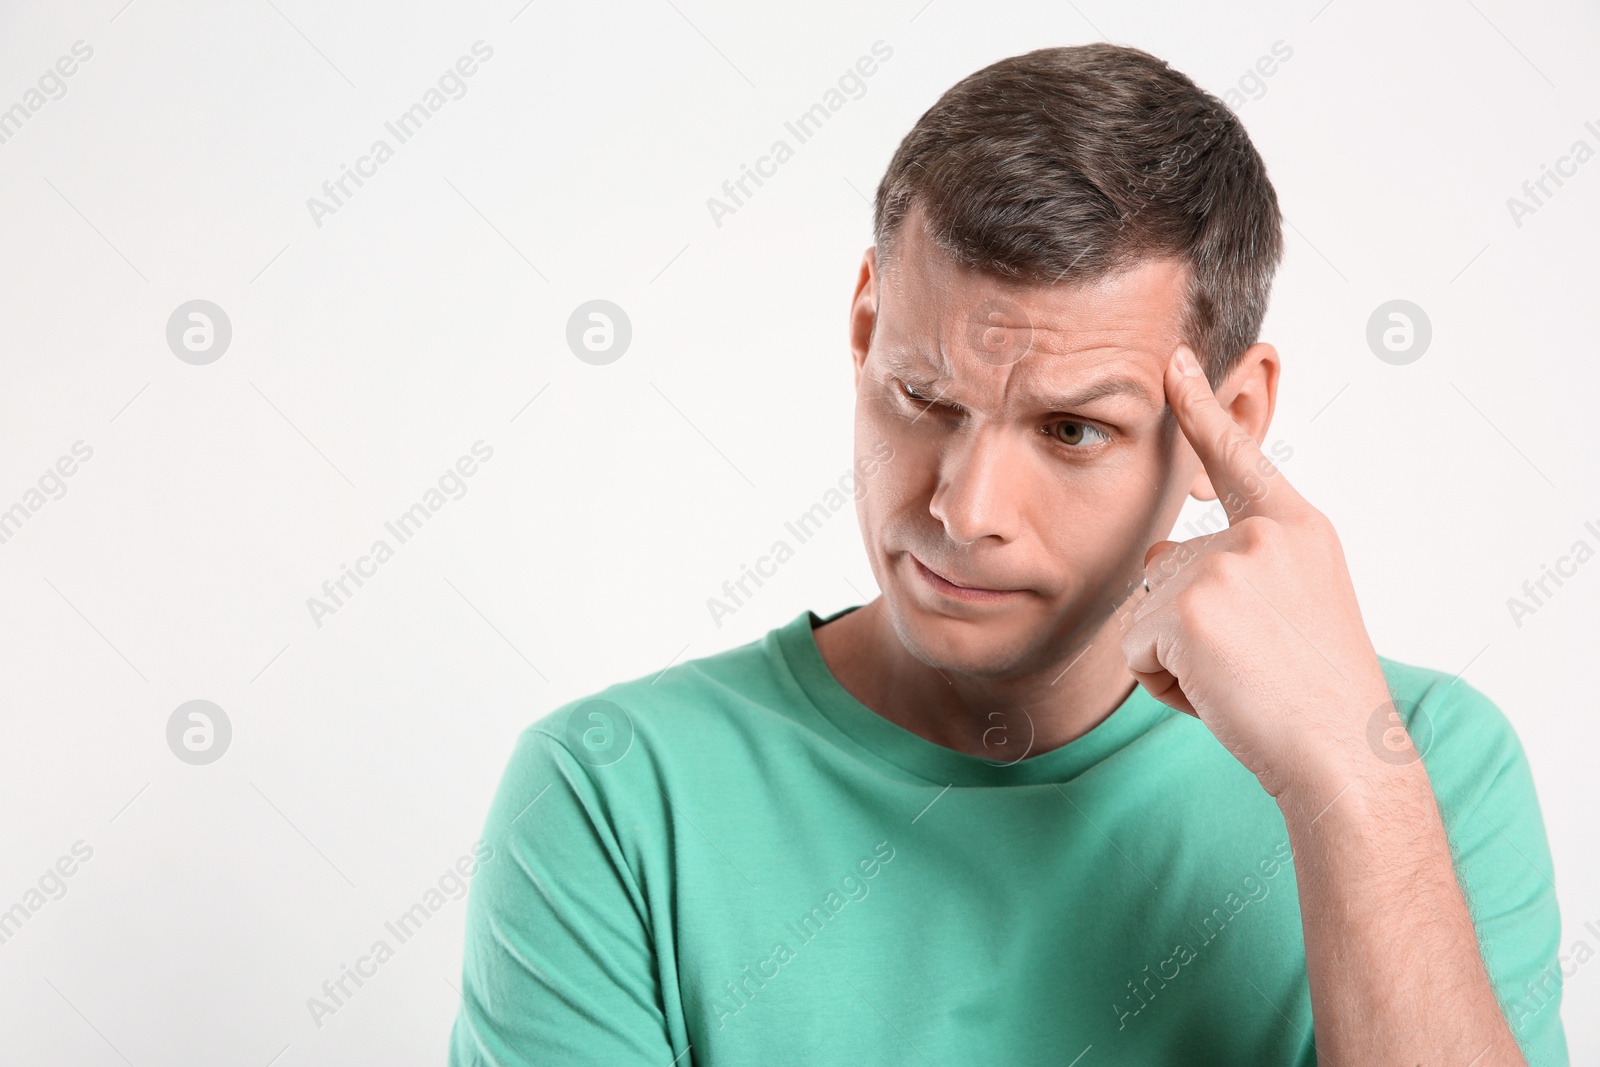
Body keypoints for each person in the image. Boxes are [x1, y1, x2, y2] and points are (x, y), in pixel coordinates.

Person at [448, 43, 1566, 1065]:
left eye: (1071, 429)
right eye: (923, 396)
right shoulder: (613, 796)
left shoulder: (1421, 762)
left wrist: (1348, 785)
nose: (965, 506)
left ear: (1229, 416)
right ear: (861, 327)